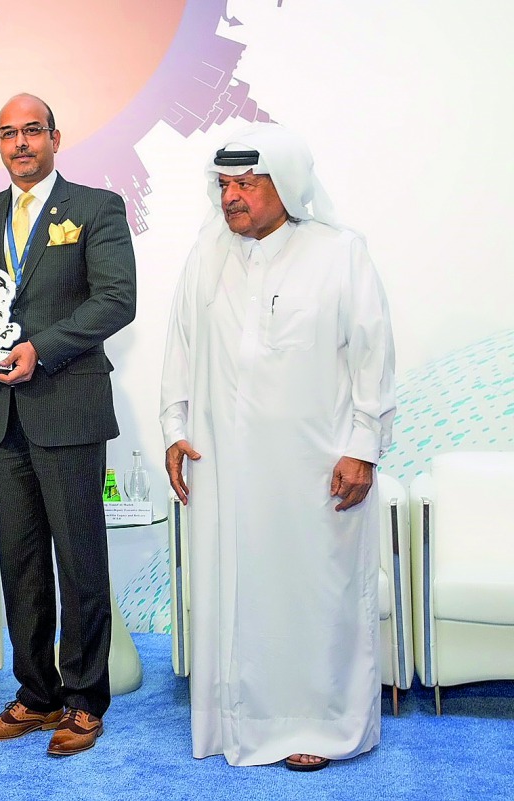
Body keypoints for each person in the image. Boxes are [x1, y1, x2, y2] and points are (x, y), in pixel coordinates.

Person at [160, 123, 395, 771]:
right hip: (225, 469)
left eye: (246, 183)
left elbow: (373, 356)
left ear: (285, 186)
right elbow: (180, 347)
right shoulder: (206, 254)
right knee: (235, 592)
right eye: (224, 184)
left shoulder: (340, 251)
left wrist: (364, 446)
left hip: (315, 466)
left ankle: (318, 727)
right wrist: (175, 428)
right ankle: (234, 721)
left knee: (312, 594)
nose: (231, 196)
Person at [0, 94, 137, 757]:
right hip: (2, 411)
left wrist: (42, 348)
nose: (20, 142)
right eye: (7, 134)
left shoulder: (95, 208)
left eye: (31, 131)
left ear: (55, 136)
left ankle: (84, 701)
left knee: (79, 560)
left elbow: (117, 299)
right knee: (21, 561)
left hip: (67, 404)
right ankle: (35, 695)